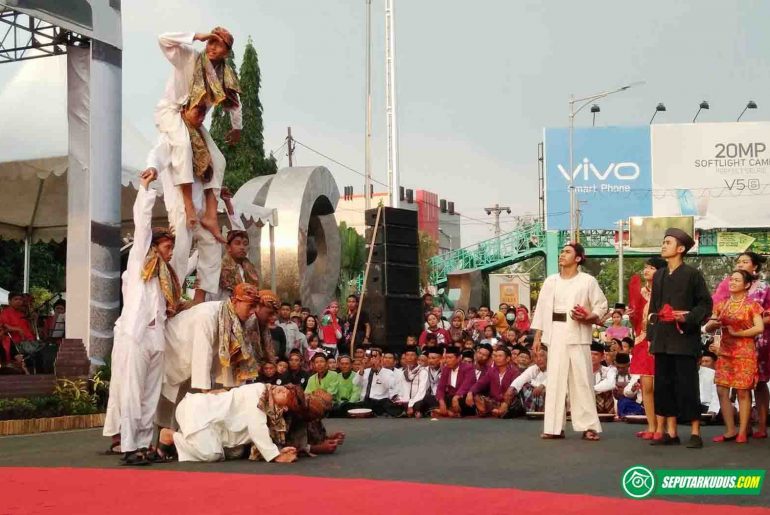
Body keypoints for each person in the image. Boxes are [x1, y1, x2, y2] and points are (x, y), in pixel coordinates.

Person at [151, 29, 243, 305]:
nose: (214, 49)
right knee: (182, 146)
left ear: (227, 52)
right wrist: (197, 35)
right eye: (212, 43)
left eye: (220, 46)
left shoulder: (222, 76)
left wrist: (237, 128)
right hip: (173, 114)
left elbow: (235, 103)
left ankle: (200, 298)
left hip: (191, 128)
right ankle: (173, 297)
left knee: (220, 160)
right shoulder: (190, 58)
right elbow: (163, 39)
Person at [101, 169, 183, 464]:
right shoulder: (139, 263)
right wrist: (146, 190)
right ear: (154, 247)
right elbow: (142, 226)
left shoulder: (168, 277)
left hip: (156, 336)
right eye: (167, 247)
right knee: (134, 392)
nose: (170, 252)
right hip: (135, 335)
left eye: (172, 247)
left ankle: (146, 446)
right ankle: (129, 446)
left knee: (151, 394)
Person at [531, 242, 608, 441]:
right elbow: (540, 310)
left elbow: (601, 306)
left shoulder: (587, 281)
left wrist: (589, 316)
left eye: (567, 252)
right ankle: (553, 427)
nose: (562, 255)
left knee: (582, 380)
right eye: (561, 251)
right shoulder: (551, 281)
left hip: (578, 331)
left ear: (578, 258)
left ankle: (589, 426)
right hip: (555, 332)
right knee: (555, 380)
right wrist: (537, 337)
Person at [647, 228, 713, 449]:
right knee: (664, 386)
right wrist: (651, 336)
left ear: (681, 248)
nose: (663, 245)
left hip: (684, 339)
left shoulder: (693, 274)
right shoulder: (659, 275)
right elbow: (654, 308)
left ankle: (695, 432)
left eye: (668, 242)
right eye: (663, 242)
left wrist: (687, 317)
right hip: (662, 338)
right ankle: (671, 432)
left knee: (687, 385)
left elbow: (705, 305)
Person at [160, 285, 266, 417]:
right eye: (250, 306)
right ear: (235, 301)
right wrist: (206, 391)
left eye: (255, 307)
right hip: (172, 352)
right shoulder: (207, 315)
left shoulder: (236, 318)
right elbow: (202, 351)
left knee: (185, 409)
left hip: (191, 364)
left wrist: (230, 389)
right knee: (165, 407)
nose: (253, 312)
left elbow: (232, 355)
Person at [156, 383, 299, 463]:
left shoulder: (272, 416)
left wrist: (279, 450)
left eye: (288, 394)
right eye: (287, 387)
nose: (284, 389)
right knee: (211, 454)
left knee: (231, 453)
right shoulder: (260, 390)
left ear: (285, 407)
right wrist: (275, 456)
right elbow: (257, 427)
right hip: (196, 410)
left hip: (210, 424)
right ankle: (170, 436)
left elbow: (259, 438)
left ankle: (186, 440)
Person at [712, 252, 770, 439]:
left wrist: (744, 328)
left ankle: (760, 426)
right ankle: (736, 428)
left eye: (745, 262)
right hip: (727, 347)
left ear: (755, 267)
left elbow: (761, 323)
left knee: (756, 384)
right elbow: (714, 320)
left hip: (758, 343)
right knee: (726, 387)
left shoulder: (763, 289)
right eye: (738, 262)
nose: (740, 265)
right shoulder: (725, 294)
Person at [471, 347, 519, 418]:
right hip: (494, 402)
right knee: (476, 397)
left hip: (508, 401)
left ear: (508, 359)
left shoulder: (514, 371)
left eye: (500, 356)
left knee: (514, 401)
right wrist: (470, 392)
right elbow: (480, 383)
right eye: (496, 356)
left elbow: (514, 390)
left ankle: (496, 412)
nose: (497, 358)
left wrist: (506, 402)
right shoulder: (491, 371)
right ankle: (495, 411)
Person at [353, 347, 398, 416]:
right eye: (370, 356)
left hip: (379, 401)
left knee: (387, 404)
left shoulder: (387, 372)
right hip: (365, 401)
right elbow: (356, 383)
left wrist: (378, 369)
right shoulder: (364, 371)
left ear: (380, 358)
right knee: (347, 405)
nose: (372, 359)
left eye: (375, 356)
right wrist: (362, 367)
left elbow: (389, 385)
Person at [434, 347, 477, 417]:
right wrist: (441, 401)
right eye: (446, 358)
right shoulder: (446, 369)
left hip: (462, 397)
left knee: (465, 400)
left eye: (450, 358)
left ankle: (446, 412)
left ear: (458, 358)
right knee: (431, 398)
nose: (447, 360)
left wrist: (456, 396)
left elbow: (466, 385)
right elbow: (440, 387)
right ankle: (450, 412)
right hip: (450, 397)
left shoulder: (468, 368)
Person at [506, 346, 548, 415]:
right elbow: (522, 378)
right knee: (524, 386)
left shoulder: (555, 367)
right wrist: (511, 388)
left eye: (542, 356)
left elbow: (552, 379)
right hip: (537, 400)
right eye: (536, 357)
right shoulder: (533, 368)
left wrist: (542, 386)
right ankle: (532, 411)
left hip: (551, 400)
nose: (539, 359)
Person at [393, 346, 430, 418]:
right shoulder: (404, 373)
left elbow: (421, 392)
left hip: (418, 400)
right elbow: (404, 390)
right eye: (407, 355)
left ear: (417, 357)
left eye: (412, 355)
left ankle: (412, 411)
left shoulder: (423, 372)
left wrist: (410, 404)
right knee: (391, 401)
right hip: (407, 400)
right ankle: (412, 411)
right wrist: (402, 400)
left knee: (422, 402)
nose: (409, 358)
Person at [0, 292, 35, 366]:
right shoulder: (5, 312)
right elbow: (5, 327)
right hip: (16, 344)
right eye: (16, 299)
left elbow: (31, 330)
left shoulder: (22, 314)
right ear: (9, 301)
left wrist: (34, 320)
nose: (19, 301)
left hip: (28, 341)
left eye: (20, 299)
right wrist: (18, 329)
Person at [591, 341, 618, 415]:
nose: (592, 357)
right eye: (590, 354)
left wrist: (590, 390)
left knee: (605, 391)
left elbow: (611, 384)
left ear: (602, 357)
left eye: (596, 354)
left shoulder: (609, 370)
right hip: (586, 404)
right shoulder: (581, 371)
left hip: (604, 408)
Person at [698, 352, 720, 418]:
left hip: (709, 406)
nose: (704, 364)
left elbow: (716, 395)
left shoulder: (713, 374)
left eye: (707, 361)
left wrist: (713, 409)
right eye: (702, 362)